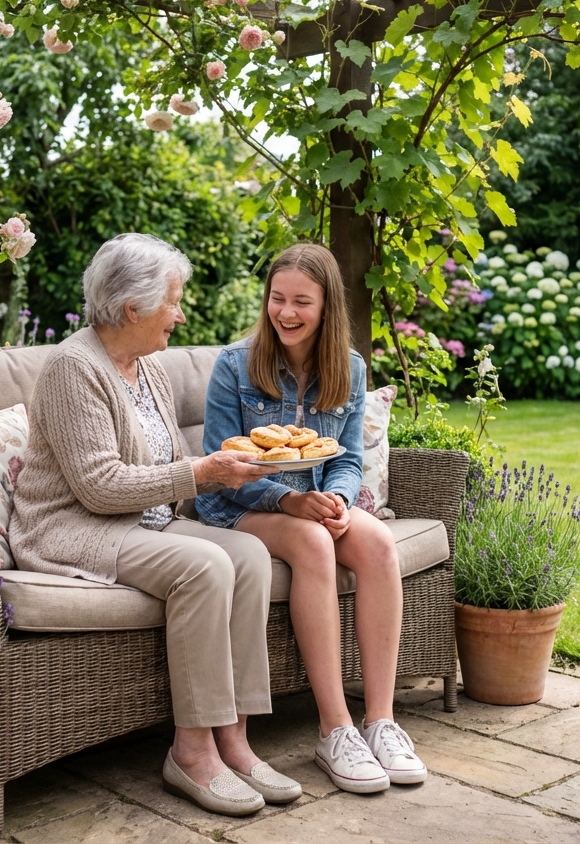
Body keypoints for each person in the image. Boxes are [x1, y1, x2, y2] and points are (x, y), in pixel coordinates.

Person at [10, 233, 302, 817]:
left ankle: (235, 742)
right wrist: (201, 474)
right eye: (173, 301)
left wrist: (220, 476)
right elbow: (98, 487)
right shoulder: (74, 367)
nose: (181, 313)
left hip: (145, 523)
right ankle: (191, 753)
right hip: (75, 527)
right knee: (205, 565)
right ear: (131, 309)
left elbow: (162, 471)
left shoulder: (147, 368)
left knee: (244, 555)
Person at [195, 243, 427, 794]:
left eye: (302, 301)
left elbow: (344, 458)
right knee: (313, 543)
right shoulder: (234, 365)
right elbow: (222, 464)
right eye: (278, 299)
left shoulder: (348, 367)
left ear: (327, 308)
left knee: (378, 547)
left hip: (318, 502)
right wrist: (291, 501)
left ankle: (381, 721)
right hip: (242, 505)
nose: (287, 313)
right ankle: (334, 728)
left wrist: (341, 500)